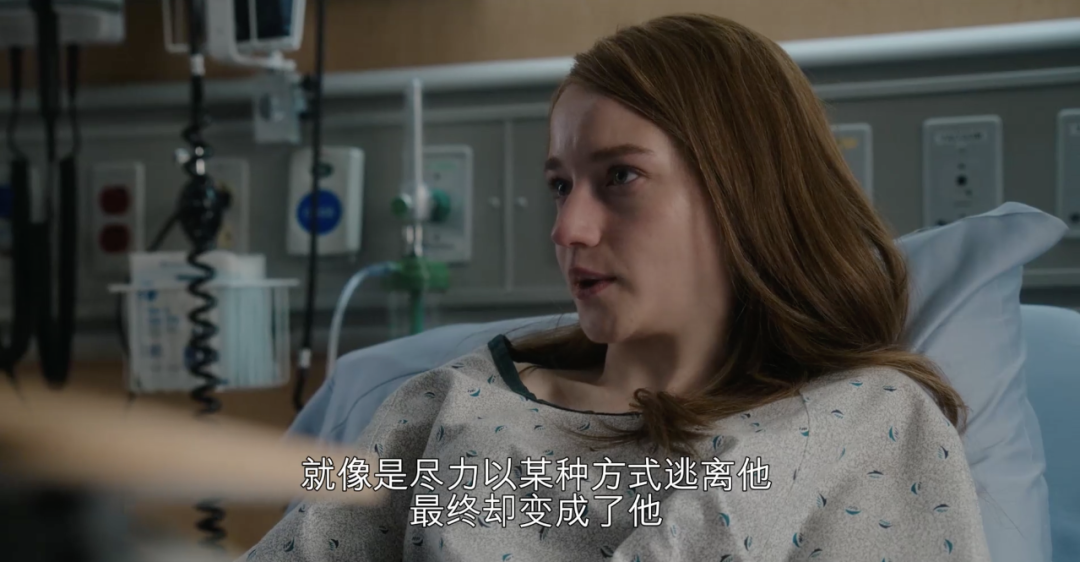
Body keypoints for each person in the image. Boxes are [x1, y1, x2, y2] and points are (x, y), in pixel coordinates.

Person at [240, 13, 990, 561]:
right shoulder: (447, 407)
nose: (568, 229)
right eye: (560, 185)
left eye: (620, 177)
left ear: (745, 192)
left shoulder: (869, 424)